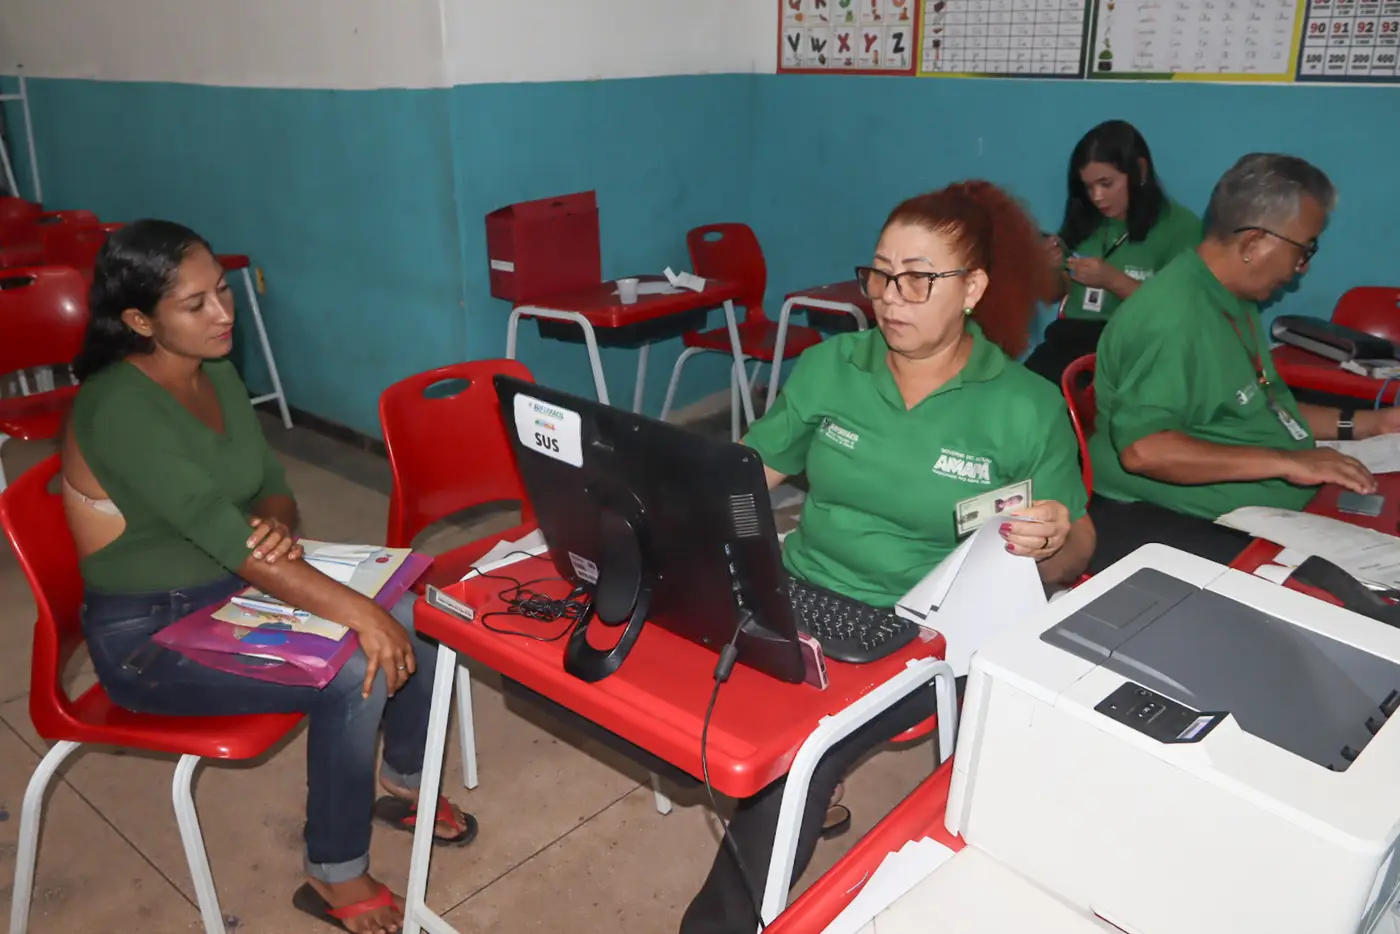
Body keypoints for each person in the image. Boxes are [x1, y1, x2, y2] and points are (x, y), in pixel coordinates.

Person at [679, 181, 1096, 934]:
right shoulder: (835, 364)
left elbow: (1077, 551)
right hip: (800, 586)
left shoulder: (1023, 407)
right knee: (663, 665)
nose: (890, 299)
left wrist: (1057, 536)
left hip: (923, 631)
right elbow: (747, 476)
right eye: (880, 275)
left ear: (973, 289)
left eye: (918, 279)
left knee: (796, 760)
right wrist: (666, 497)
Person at [63, 221, 476, 934]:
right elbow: (233, 541)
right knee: (354, 669)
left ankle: (405, 780)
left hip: (232, 588)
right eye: (195, 304)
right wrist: (359, 613)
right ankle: (334, 873)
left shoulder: (217, 373)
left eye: (222, 292)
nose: (223, 314)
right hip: (149, 635)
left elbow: (270, 489)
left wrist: (277, 523)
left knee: (419, 615)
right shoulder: (118, 408)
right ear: (140, 321)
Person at [1087, 153, 1400, 572]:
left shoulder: (1232, 295)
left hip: (1270, 496)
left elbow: (1261, 407)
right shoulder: (1173, 318)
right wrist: (1288, 463)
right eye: (1303, 250)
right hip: (1182, 517)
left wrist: (1372, 424)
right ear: (1253, 243)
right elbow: (1144, 451)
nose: (1303, 268)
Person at [1025, 120, 1202, 388]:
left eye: (1106, 184)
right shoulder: (1086, 219)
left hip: (1133, 348)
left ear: (1139, 171)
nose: (1097, 197)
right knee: (1022, 393)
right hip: (1069, 340)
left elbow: (1179, 311)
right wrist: (1050, 267)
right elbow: (1054, 295)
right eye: (1088, 187)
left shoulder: (1179, 227)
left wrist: (1112, 280)